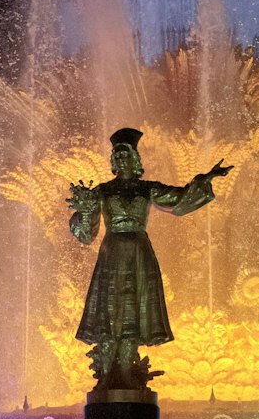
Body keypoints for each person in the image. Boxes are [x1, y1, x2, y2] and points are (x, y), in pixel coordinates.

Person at [68, 127, 232, 389]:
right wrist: (85, 211)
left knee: (132, 310)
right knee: (110, 311)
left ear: (135, 159)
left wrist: (207, 177)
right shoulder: (102, 192)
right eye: (117, 156)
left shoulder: (148, 189)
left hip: (139, 254)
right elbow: (86, 234)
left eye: (125, 155)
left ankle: (127, 373)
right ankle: (108, 377)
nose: (121, 160)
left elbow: (179, 198)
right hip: (112, 254)